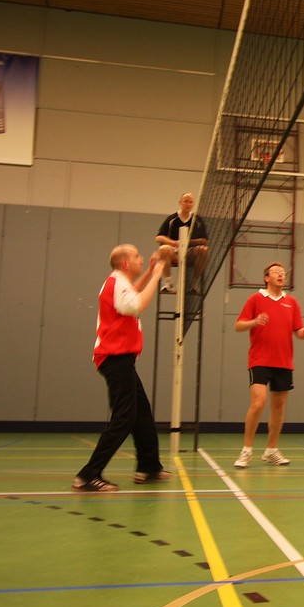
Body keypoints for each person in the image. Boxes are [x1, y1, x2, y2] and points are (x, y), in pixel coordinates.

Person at [73, 243, 176, 492]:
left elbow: (131, 295)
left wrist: (149, 272)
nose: (142, 258)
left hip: (122, 359)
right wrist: (158, 273)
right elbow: (135, 305)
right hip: (115, 358)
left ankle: (148, 467)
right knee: (124, 416)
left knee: (141, 412)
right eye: (138, 256)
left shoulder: (119, 282)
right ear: (126, 263)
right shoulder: (116, 283)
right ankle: (88, 475)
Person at [233, 262, 304, 468]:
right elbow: (238, 326)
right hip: (259, 360)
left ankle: (271, 450)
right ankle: (246, 450)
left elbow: (297, 330)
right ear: (266, 278)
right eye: (276, 272)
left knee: (279, 407)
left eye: (282, 272)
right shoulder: (255, 299)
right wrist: (254, 322)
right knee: (258, 403)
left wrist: (303, 333)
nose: (280, 275)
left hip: (283, 361)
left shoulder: (292, 302)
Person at [155, 192, 209, 293]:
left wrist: (186, 242)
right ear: (180, 202)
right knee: (163, 249)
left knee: (203, 250)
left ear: (193, 204)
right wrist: (174, 243)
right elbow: (158, 237)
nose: (188, 204)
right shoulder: (172, 219)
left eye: (190, 202)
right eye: (185, 201)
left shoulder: (197, 220)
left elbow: (204, 240)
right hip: (174, 252)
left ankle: (194, 284)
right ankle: (167, 283)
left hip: (190, 253)